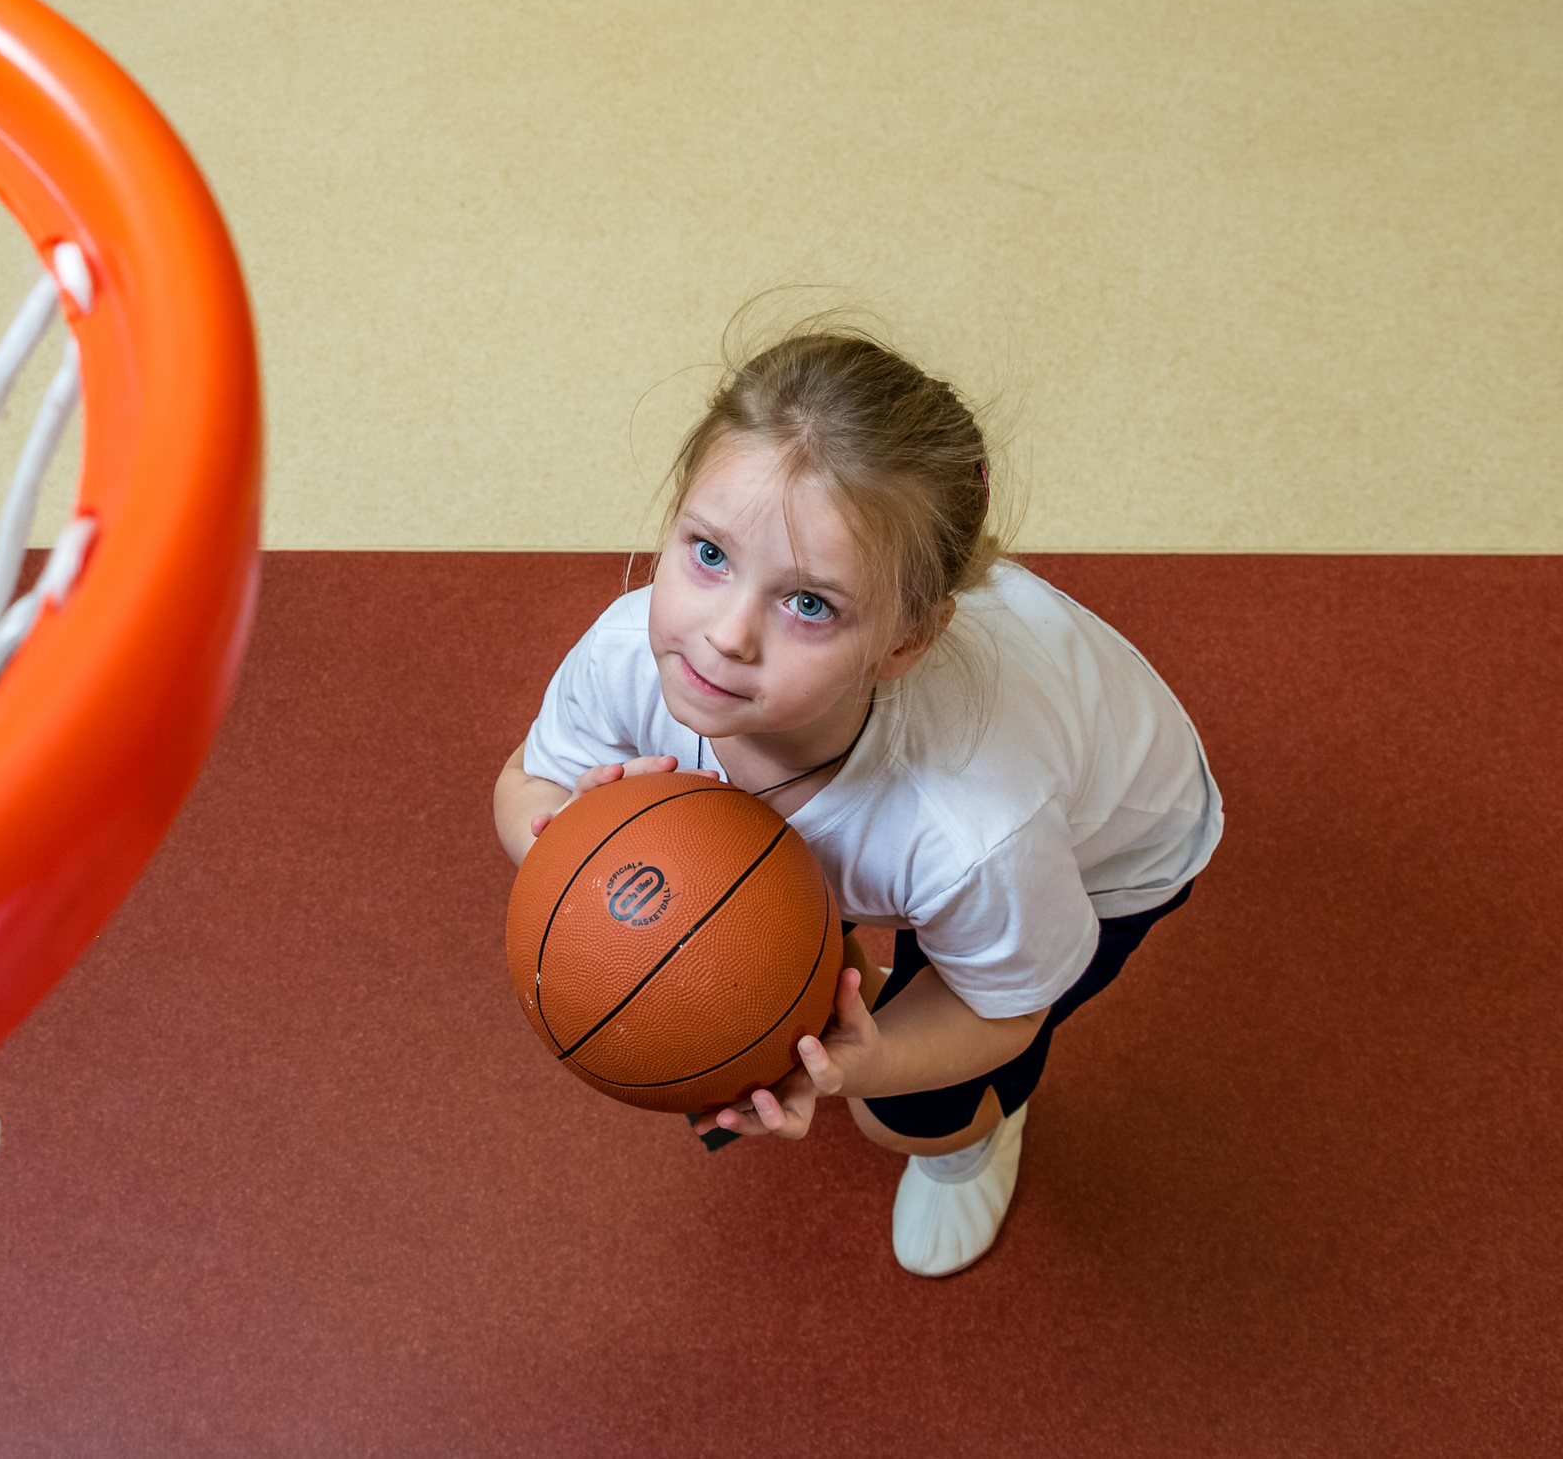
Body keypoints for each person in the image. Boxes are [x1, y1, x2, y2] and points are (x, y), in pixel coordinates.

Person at [490, 321, 1220, 1277]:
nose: (726, 635)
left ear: (904, 643)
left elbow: (1004, 1006)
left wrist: (853, 1064)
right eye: (709, 553)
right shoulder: (635, 652)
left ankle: (968, 1145)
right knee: (807, 955)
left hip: (1110, 853)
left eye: (809, 604)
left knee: (904, 1110)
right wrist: (569, 839)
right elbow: (526, 783)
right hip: (934, 803)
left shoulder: (971, 830)